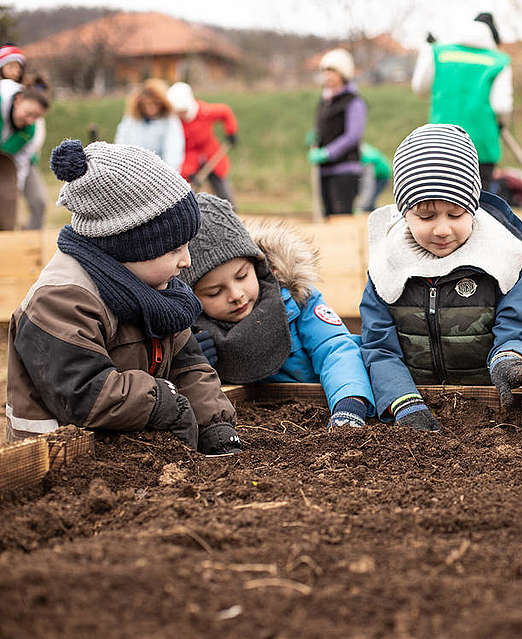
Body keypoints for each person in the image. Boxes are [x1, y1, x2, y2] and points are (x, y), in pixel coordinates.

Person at [5, 139, 241, 456]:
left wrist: (215, 424)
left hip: (129, 449)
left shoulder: (155, 290)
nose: (186, 261)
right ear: (129, 248)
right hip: (60, 463)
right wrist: (164, 401)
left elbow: (188, 366)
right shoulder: (61, 301)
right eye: (173, 249)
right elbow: (85, 393)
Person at [359, 124, 522, 431]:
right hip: (415, 405)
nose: (442, 229)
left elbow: (518, 326)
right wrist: (402, 401)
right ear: (404, 212)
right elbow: (379, 347)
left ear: (473, 207)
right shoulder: (387, 266)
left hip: (489, 411)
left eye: (456, 214)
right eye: (426, 216)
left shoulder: (500, 259)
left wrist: (510, 359)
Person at [181, 193, 374, 429]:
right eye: (214, 292)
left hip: (327, 406)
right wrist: (193, 362)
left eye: (242, 276)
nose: (236, 294)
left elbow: (335, 349)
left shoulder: (297, 300)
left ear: (259, 265)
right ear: (192, 297)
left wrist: (350, 401)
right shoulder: (195, 333)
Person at [411, 17, 512, 190]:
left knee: (443, 195)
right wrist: (503, 124)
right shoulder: (499, 61)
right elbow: (502, 106)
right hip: (482, 143)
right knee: (480, 201)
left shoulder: (439, 53)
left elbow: (419, 88)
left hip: (442, 142)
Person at [308, 48, 365, 217]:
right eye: (325, 71)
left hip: (345, 170)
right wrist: (316, 137)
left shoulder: (353, 102)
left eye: (331, 71)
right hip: (325, 171)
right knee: (327, 218)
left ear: (342, 73)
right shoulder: (325, 100)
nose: (327, 76)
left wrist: (328, 152)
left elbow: (352, 135)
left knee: (341, 220)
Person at [166, 82, 237, 206]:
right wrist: (187, 173)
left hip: (211, 153)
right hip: (189, 154)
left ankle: (230, 210)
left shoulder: (204, 111)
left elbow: (225, 112)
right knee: (187, 186)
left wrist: (231, 132)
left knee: (220, 184)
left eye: (183, 111)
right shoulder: (173, 121)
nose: (181, 115)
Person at [0, 77, 48, 229]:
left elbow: (21, 164)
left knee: (38, 201)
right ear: (18, 100)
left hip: (9, 162)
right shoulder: (2, 95)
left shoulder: (31, 131)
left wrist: (15, 191)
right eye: (28, 114)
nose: (30, 120)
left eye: (36, 117)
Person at [115, 78, 185, 173]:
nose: (150, 108)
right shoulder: (130, 120)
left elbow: (173, 151)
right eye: (146, 104)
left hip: (160, 173)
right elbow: (121, 144)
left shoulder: (170, 121)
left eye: (155, 104)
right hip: (133, 171)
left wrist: (167, 174)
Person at [356, 142, 391, 213]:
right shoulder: (360, 147)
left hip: (382, 176)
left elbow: (368, 186)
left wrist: (360, 206)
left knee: (368, 201)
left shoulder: (365, 157)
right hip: (379, 173)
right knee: (370, 203)